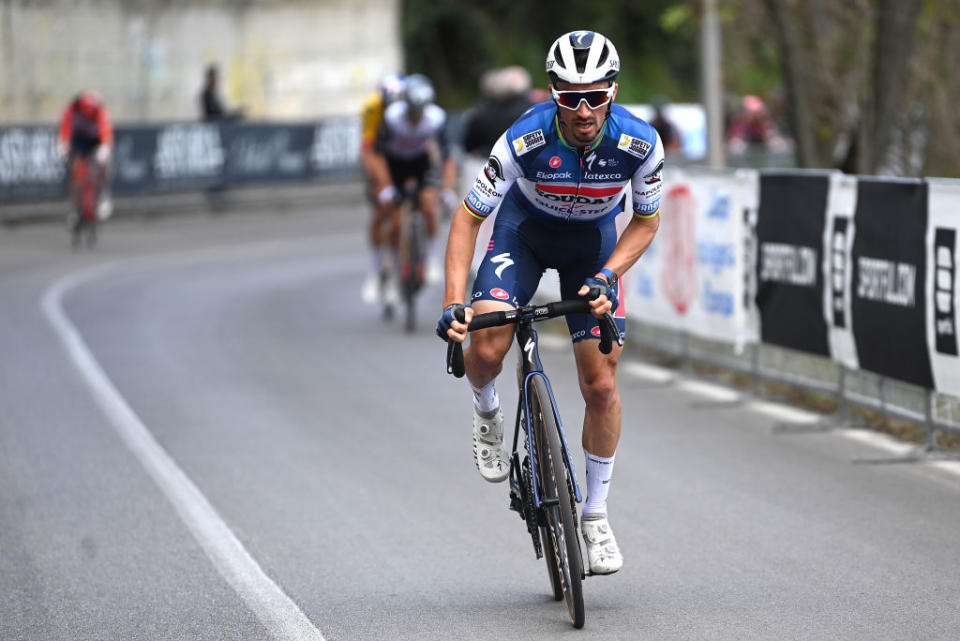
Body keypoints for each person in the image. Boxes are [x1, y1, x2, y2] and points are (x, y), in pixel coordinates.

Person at [436, 30, 664, 576]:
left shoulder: (639, 143)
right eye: (569, 95)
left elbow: (647, 220)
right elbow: (468, 217)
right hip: (524, 234)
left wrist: (610, 274)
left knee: (601, 384)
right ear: (552, 92)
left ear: (613, 90)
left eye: (595, 95)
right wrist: (452, 302)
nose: (583, 109)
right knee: (487, 344)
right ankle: (487, 409)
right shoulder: (522, 140)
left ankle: (595, 514)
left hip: (593, 248)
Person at [374, 74, 458, 300]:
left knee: (429, 206)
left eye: (419, 112)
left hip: (421, 163)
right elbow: (379, 156)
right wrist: (385, 186)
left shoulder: (436, 119)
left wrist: (447, 189)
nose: (415, 118)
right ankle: (392, 265)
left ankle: (431, 257)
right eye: (411, 112)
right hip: (395, 165)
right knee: (394, 223)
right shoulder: (391, 119)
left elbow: (448, 158)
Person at [360, 72, 405, 303]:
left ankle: (401, 269)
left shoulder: (410, 107)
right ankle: (376, 269)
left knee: (398, 221)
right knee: (380, 211)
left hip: (402, 158)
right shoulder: (372, 108)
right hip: (379, 156)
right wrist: (377, 181)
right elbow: (368, 149)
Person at [57, 91, 114, 225]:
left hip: (95, 140)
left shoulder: (99, 111)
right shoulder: (72, 109)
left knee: (104, 164)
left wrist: (105, 148)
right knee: (75, 169)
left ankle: (104, 196)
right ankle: (74, 208)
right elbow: (65, 128)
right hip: (79, 140)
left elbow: (106, 131)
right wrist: (63, 145)